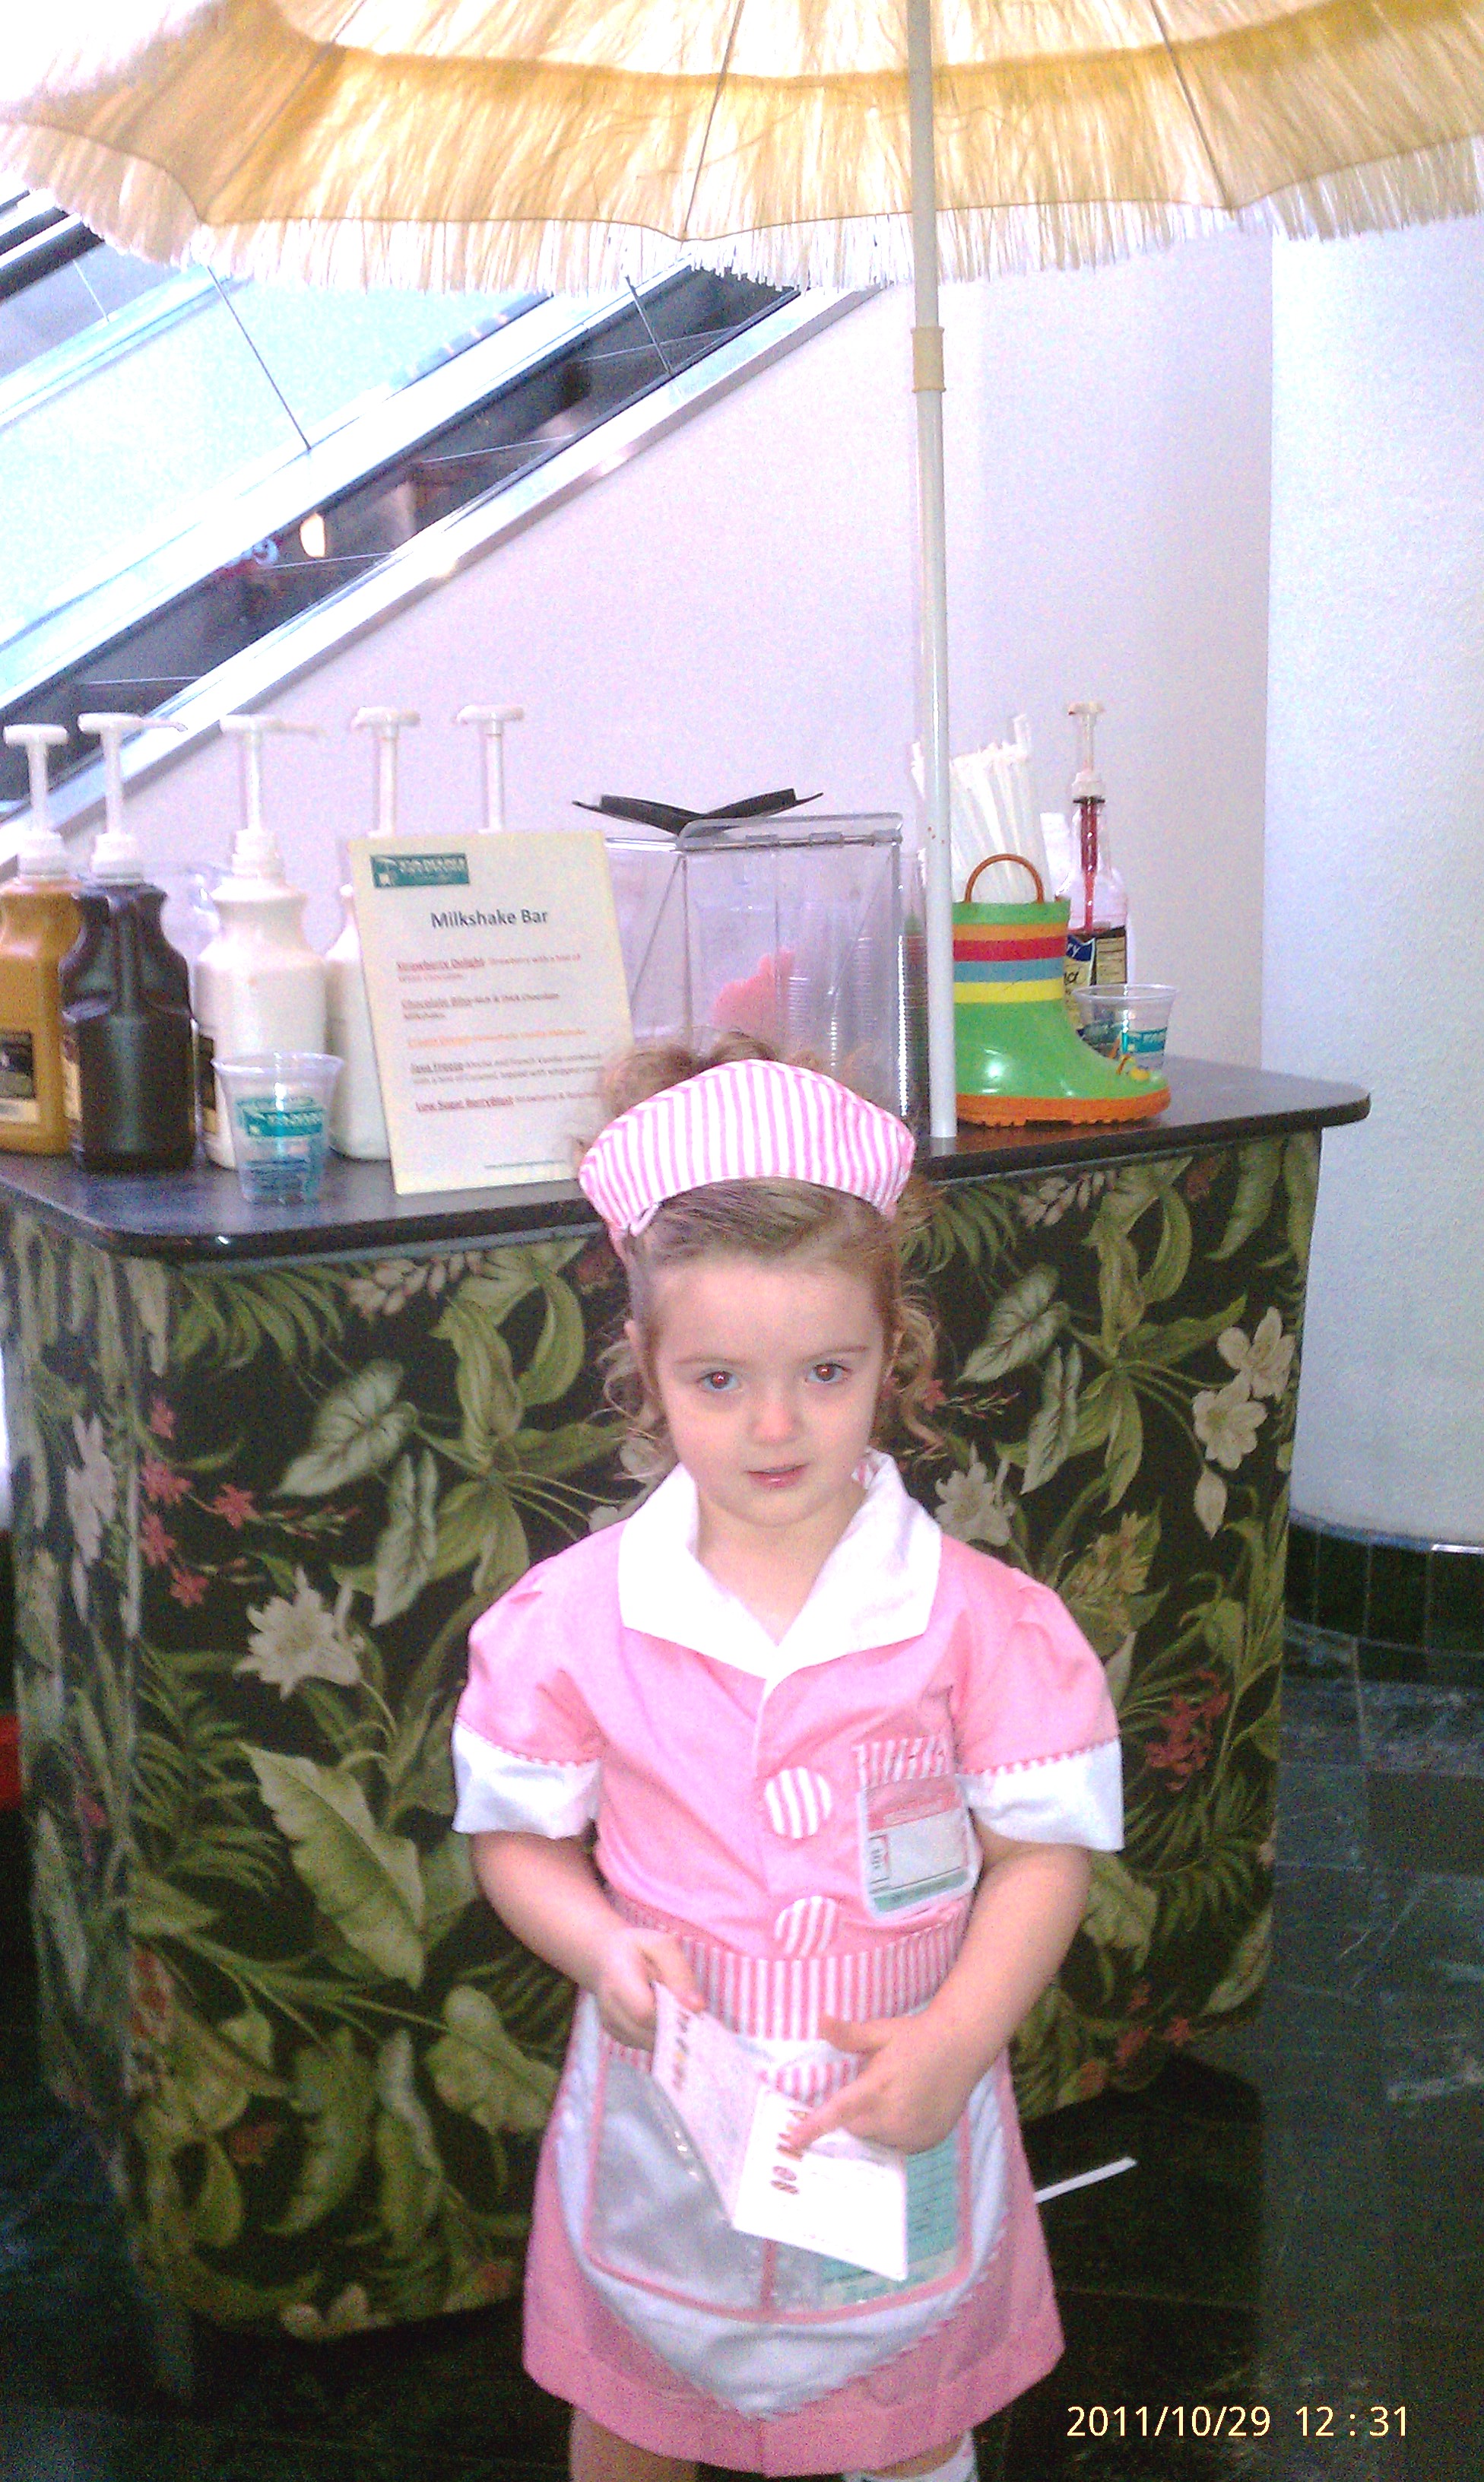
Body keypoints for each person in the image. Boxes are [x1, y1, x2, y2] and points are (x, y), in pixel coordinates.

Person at [452, 1043, 1123, 2482]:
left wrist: (957, 2041)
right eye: (718, 1378)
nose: (775, 1425)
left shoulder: (981, 1624)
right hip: (670, 2120)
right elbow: (517, 1838)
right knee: (636, 2411)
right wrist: (600, 1947)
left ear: (896, 1356)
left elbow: (1042, 1856)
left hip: (902, 2094)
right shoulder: (571, 1622)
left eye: (826, 1372)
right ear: (644, 1372)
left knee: (904, 2414)